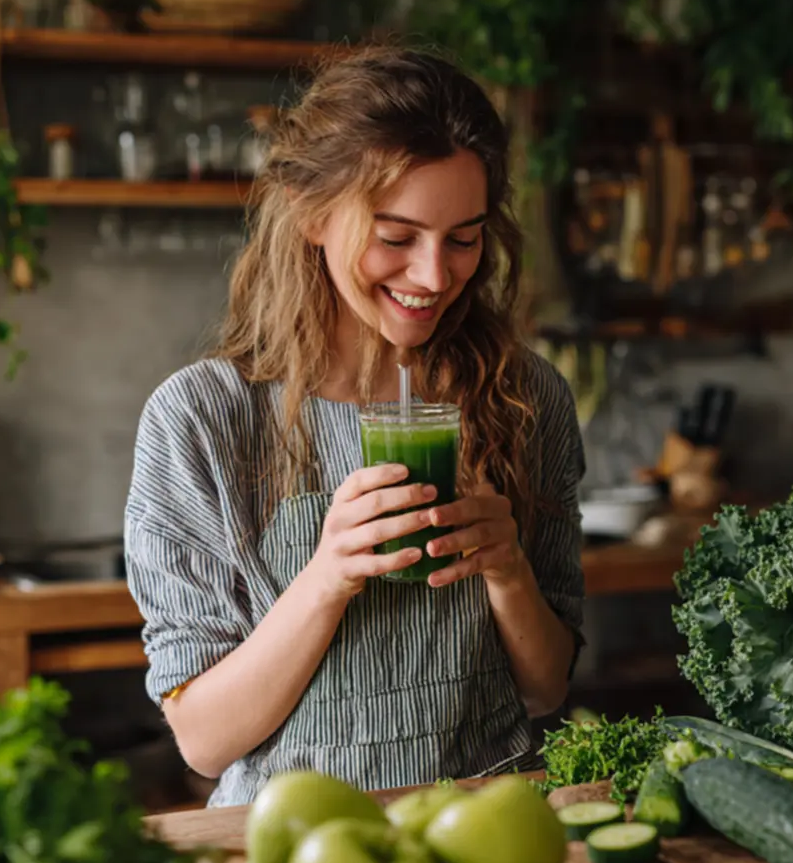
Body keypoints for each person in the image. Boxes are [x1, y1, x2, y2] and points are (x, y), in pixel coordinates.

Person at [125, 45, 586, 808]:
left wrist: (507, 569)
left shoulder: (524, 397)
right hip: (289, 844)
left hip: (489, 829)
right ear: (312, 214)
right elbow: (205, 740)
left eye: (463, 237)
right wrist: (328, 577)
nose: (435, 276)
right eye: (397, 237)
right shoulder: (202, 419)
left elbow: (543, 691)